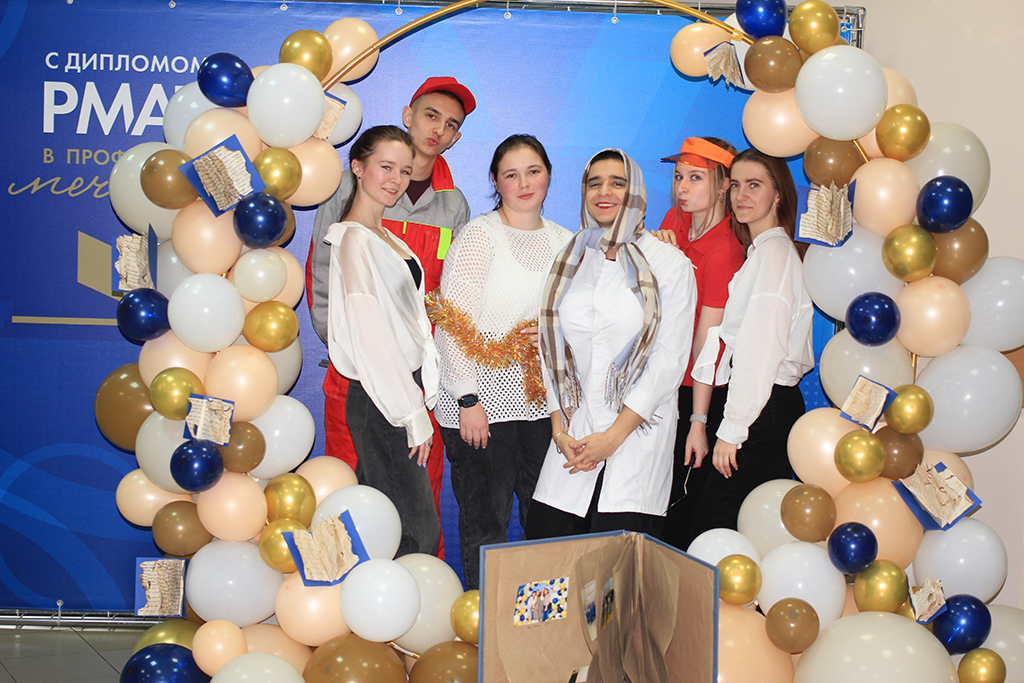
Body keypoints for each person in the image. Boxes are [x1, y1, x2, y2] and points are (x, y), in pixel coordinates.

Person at [307, 77, 476, 557]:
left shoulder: (453, 203)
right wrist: (351, 348)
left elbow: (450, 295)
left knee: (419, 500)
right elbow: (324, 279)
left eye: (451, 125)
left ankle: (416, 592)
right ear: (408, 115)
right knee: (353, 495)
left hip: (420, 380)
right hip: (364, 376)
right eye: (430, 115)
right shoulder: (348, 193)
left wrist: (429, 367)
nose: (438, 130)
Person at [525, 149, 697, 539]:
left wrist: (613, 438)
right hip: (573, 441)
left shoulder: (669, 263)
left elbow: (668, 362)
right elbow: (554, 352)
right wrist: (559, 431)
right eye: (594, 183)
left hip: (636, 444)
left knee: (616, 574)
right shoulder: (570, 260)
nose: (604, 192)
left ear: (636, 193)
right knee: (546, 563)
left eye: (617, 183)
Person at [430, 135, 571, 589]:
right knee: (486, 523)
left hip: (543, 406)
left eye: (533, 172)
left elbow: (583, 320)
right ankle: (485, 620)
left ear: (548, 175)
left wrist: (555, 333)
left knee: (542, 520)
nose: (524, 183)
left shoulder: (566, 242)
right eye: (511, 174)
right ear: (495, 181)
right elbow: (452, 324)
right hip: (481, 408)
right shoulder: (479, 236)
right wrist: (467, 398)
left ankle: (534, 621)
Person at [323, 125, 440, 557]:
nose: (396, 180)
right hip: (382, 399)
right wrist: (410, 413)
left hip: (400, 390)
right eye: (386, 167)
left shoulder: (386, 237)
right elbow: (370, 334)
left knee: (398, 530)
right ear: (358, 167)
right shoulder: (354, 239)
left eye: (405, 171)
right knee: (414, 533)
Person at [688, 148, 814, 538]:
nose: (741, 195)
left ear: (778, 194)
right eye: (736, 185)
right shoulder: (762, 252)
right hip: (758, 407)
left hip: (762, 409)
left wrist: (732, 431)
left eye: (754, 185)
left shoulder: (774, 255)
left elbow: (761, 351)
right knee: (733, 529)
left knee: (719, 529)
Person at [650, 137, 746, 552]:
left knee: (680, 503)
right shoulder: (675, 219)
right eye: (678, 177)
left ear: (724, 185)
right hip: (663, 380)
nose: (681, 188)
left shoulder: (725, 250)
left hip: (698, 391)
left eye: (695, 178)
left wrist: (698, 422)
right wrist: (652, 252)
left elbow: (707, 346)